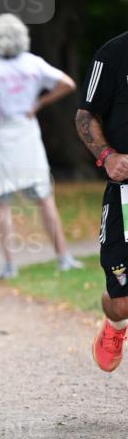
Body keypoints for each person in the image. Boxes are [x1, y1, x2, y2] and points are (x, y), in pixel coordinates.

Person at [0, 13, 82, 280]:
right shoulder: (33, 64)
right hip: (27, 135)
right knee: (44, 197)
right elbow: (67, 83)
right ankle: (63, 256)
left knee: (1, 202)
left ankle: (10, 264)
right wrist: (38, 104)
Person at [75, 30, 128, 372]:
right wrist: (107, 156)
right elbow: (85, 116)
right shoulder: (113, 53)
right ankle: (115, 327)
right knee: (121, 304)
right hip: (125, 193)